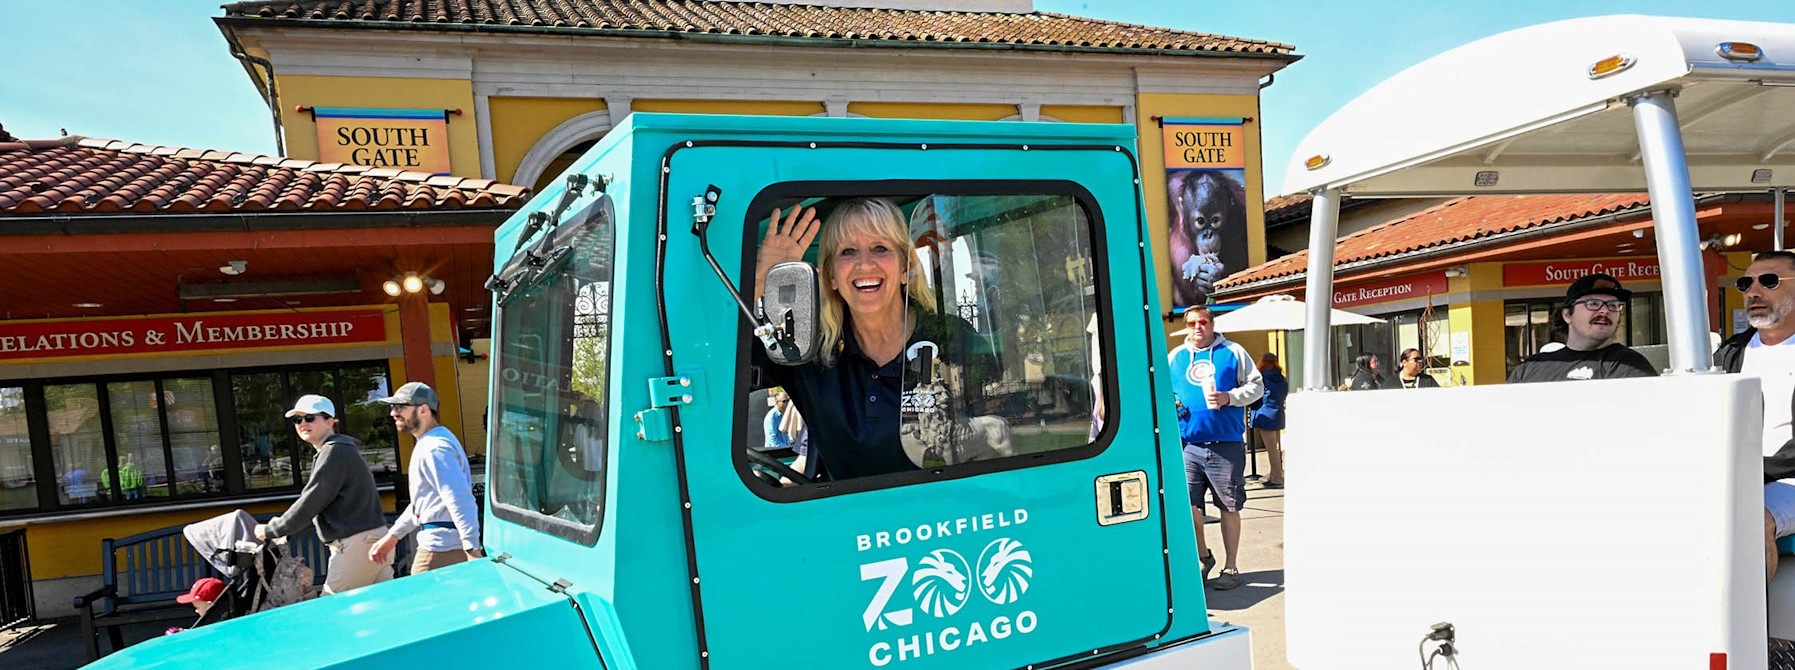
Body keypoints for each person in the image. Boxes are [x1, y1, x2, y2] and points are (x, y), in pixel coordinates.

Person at [750, 198, 947, 482]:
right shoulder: (806, 349)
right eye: (848, 251)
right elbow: (714, 371)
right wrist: (757, 282)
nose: (864, 264)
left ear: (905, 268)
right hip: (850, 523)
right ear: (830, 275)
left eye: (880, 248)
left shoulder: (951, 339)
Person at [255, 395, 393, 595]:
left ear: (330, 421)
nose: (303, 424)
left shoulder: (334, 451)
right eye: (297, 420)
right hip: (372, 540)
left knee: (332, 612)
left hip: (356, 545)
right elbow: (320, 504)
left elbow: (311, 501)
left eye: (310, 418)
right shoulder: (341, 449)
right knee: (381, 609)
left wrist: (271, 530)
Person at [1713, 251, 1795, 584]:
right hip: (1740, 475)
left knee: (1753, 519)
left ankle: (1750, 635)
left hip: (1787, 478)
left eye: (1769, 281)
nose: (1753, 291)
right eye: (1746, 283)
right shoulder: (1728, 355)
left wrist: (1755, 472)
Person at [1169, 305, 1264, 590]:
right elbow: (1163, 391)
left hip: (1226, 445)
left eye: (1202, 322)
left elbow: (1256, 387)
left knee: (1228, 506)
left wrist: (1230, 397)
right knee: (1189, 506)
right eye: (1191, 323)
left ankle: (1231, 566)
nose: (1197, 327)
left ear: (1212, 324)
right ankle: (1202, 556)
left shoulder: (1233, 352)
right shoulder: (1175, 357)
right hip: (1188, 445)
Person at [369, 382, 483, 574]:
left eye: (400, 407)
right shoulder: (432, 443)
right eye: (392, 407)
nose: (393, 413)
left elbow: (459, 499)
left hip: (441, 551)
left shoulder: (435, 447)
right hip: (442, 548)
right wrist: (393, 536)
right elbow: (421, 505)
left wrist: (472, 549)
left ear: (423, 410)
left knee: (418, 602)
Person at [1507, 273, 1658, 383]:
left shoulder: (1628, 365)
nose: (1605, 311)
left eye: (1613, 305)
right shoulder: (1530, 368)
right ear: (1567, 315)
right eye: (1592, 303)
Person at [1251, 353, 1287, 489]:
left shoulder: (1261, 378)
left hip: (1265, 414)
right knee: (1275, 447)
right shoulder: (1281, 377)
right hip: (1278, 413)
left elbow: (1256, 395)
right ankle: (1274, 474)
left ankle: (1277, 478)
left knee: (1271, 448)